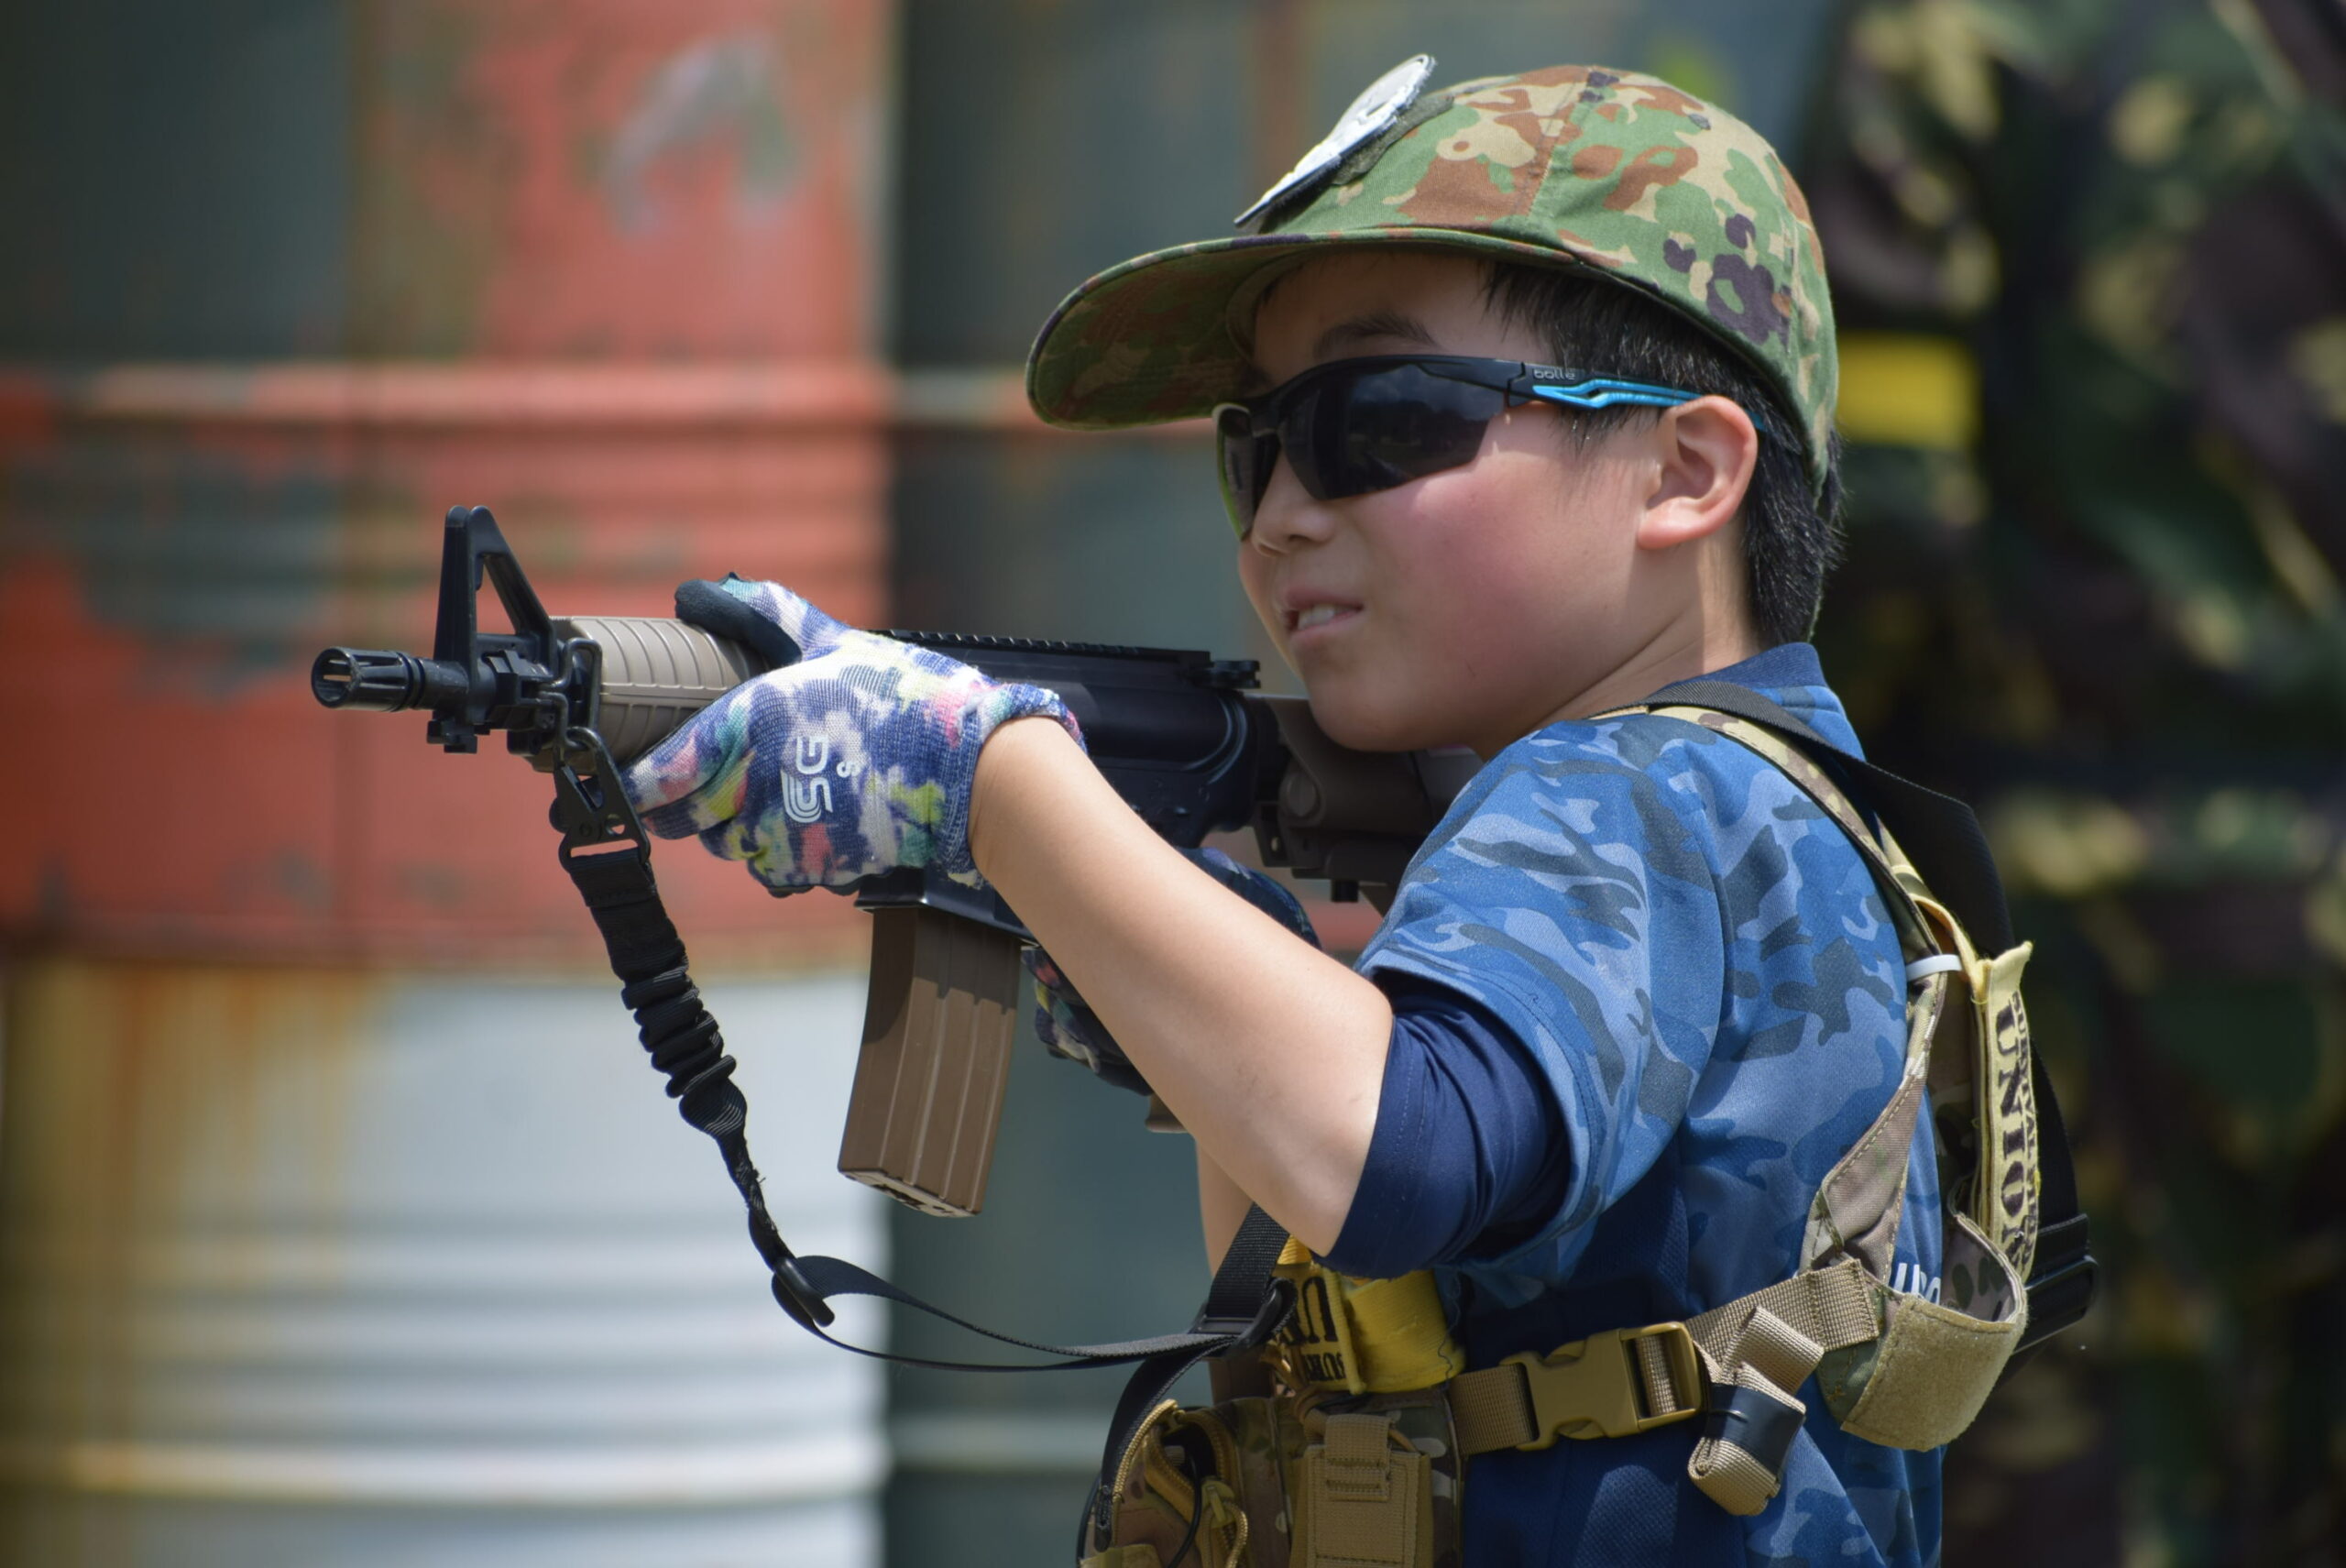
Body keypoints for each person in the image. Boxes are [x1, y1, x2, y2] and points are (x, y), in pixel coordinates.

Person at [625, 60, 1957, 1566]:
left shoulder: (1626, 788)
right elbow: (1325, 1328)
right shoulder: (1774, 799)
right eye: (1250, 450)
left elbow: (1394, 1162)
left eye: (1374, 420)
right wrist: (1171, 942)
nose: (1278, 517)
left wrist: (993, 783)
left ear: (1684, 471)